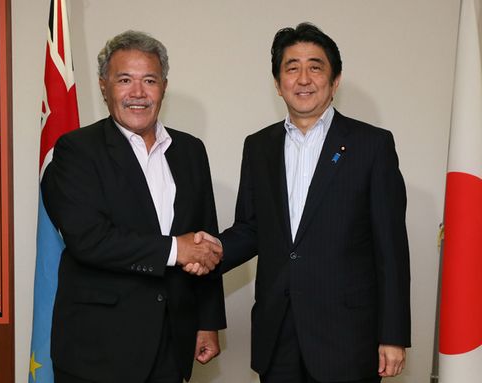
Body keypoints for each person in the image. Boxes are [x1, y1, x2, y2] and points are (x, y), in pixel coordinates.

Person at [191, 23, 410, 382]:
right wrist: (210, 249)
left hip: (348, 338)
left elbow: (391, 247)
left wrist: (393, 335)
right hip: (278, 335)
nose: (303, 78)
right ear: (278, 84)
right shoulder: (259, 146)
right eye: (292, 68)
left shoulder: (372, 145)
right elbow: (252, 228)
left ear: (335, 80)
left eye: (315, 66)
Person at [42, 30, 226, 383]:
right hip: (97, 351)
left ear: (164, 87)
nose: (138, 93)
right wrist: (177, 249)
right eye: (124, 80)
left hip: (172, 343)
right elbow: (89, 239)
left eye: (149, 80)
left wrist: (207, 322)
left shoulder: (190, 151)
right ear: (103, 85)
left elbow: (205, 238)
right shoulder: (76, 151)